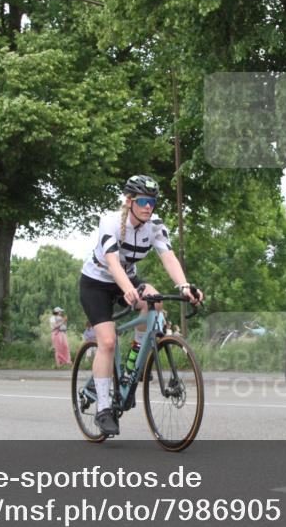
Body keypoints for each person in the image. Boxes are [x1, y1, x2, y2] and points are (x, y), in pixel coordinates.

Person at [78, 175, 204, 436]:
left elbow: (168, 257)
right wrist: (127, 290)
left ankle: (131, 369)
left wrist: (184, 286)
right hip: (97, 283)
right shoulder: (111, 222)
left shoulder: (155, 226)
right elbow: (113, 262)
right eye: (143, 201)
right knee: (108, 342)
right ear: (129, 201)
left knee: (155, 304)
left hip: (129, 278)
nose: (148, 207)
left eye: (152, 202)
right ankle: (103, 408)